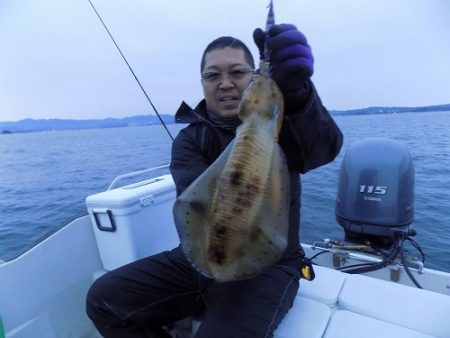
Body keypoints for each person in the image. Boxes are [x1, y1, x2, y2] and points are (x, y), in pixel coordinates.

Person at [86, 24, 343, 337]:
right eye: (213, 75)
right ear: (202, 82)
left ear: (252, 77)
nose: (225, 84)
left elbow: (322, 149)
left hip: (267, 266)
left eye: (237, 72)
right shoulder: (189, 141)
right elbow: (202, 212)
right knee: (104, 299)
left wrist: (298, 94)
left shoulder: (282, 127)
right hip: (203, 255)